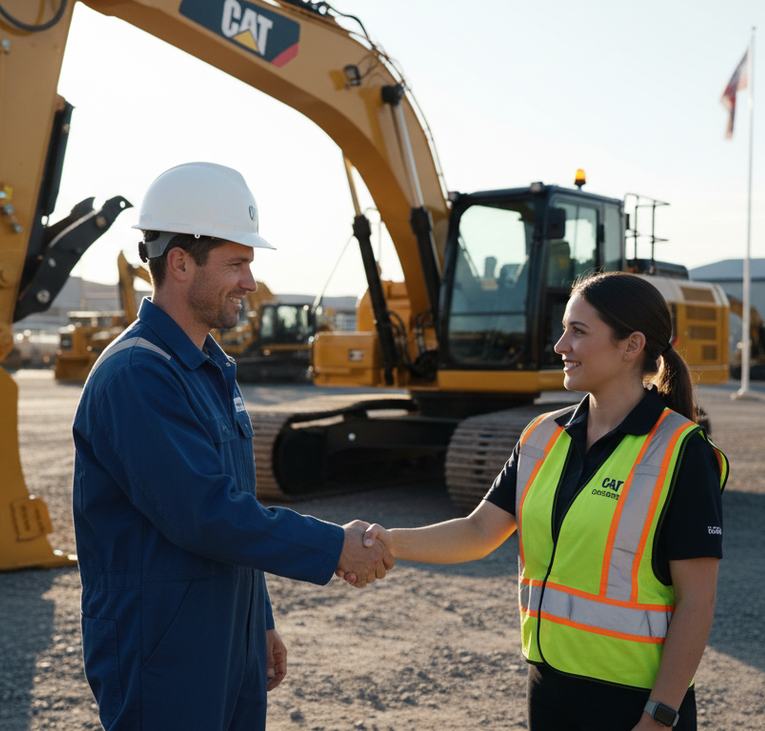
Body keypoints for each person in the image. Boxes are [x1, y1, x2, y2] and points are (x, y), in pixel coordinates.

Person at [72, 162, 392, 730]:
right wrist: (331, 546)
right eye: (237, 263)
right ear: (179, 263)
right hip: (163, 651)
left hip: (227, 640)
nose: (249, 281)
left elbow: (234, 499)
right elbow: (204, 514)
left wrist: (258, 619)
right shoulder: (136, 376)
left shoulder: (209, 369)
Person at [363, 271, 728, 730]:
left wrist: (659, 716)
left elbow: (698, 600)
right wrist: (386, 541)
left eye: (578, 331)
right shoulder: (541, 436)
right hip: (550, 689)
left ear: (631, 346)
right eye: (563, 329)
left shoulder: (683, 451)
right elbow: (479, 531)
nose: (560, 345)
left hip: (636, 705)